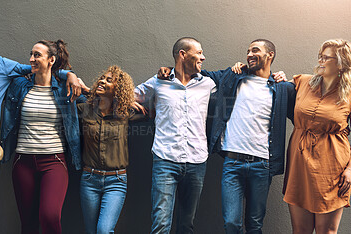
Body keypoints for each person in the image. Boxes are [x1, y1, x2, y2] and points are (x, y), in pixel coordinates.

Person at [0, 19, 81, 233]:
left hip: (11, 154)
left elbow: (46, 72)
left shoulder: (2, 67)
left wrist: (70, 74)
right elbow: (34, 68)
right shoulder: (17, 83)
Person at [160, 39, 296, 233]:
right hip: (232, 164)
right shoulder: (232, 77)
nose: (249, 54)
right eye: (247, 50)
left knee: (255, 224)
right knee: (231, 223)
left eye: (255, 50)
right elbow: (194, 73)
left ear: (270, 55)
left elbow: (305, 114)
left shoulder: (283, 88)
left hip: (262, 164)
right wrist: (168, 70)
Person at [135, 37, 216, 234]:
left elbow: (236, 82)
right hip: (165, 160)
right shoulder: (158, 82)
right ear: (182, 54)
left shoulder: (208, 84)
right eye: (198, 52)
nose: (203, 57)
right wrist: (130, 101)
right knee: (161, 224)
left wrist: (278, 78)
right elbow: (128, 94)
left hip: (197, 161)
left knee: (186, 225)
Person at [0, 39, 81, 233]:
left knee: (50, 216)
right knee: (28, 223)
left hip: (54, 162)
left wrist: (71, 76)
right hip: (23, 161)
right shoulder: (19, 85)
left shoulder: (64, 88)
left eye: (37, 55)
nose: (31, 59)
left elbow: (97, 98)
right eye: (31, 54)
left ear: (51, 59)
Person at [282, 39, 351, 234]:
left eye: (326, 57)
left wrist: (350, 170)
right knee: (300, 230)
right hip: (299, 163)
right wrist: (277, 76)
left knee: (326, 231)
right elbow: (273, 87)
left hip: (332, 167)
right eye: (320, 56)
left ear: (341, 63)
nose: (320, 61)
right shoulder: (303, 82)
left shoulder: (349, 93)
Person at [77, 65, 143, 234]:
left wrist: (128, 101)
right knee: (91, 231)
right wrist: (86, 90)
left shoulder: (126, 113)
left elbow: (152, 110)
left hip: (116, 181)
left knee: (104, 230)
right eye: (102, 78)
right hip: (89, 179)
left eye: (108, 80)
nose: (101, 81)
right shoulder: (85, 110)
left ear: (118, 89)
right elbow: (66, 93)